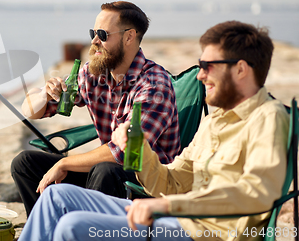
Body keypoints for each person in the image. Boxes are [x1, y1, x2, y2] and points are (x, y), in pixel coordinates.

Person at [18, 20, 290, 241]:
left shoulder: (268, 117)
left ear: (240, 69)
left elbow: (256, 194)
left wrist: (168, 206)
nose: (200, 75)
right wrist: (138, 149)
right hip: (175, 217)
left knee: (73, 226)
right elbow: (172, 183)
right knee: (55, 196)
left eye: (208, 66)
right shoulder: (216, 120)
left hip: (207, 233)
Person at [11, 1, 180, 216]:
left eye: (102, 34)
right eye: (93, 32)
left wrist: (65, 163)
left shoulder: (154, 85)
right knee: (25, 163)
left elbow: (126, 152)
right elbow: (31, 111)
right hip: (109, 175)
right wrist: (45, 93)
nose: (94, 41)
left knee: (106, 170)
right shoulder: (95, 74)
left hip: (147, 185)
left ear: (129, 37)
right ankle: (49, 230)